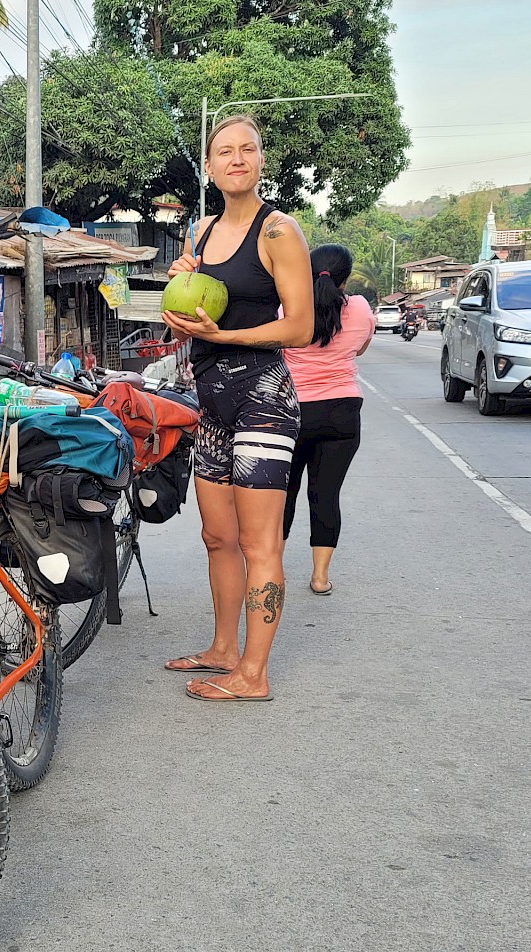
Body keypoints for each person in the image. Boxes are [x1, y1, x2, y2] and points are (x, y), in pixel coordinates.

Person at [161, 114, 313, 703]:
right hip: (212, 401)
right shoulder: (199, 234)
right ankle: (224, 649)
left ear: (261, 161)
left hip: (263, 399)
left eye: (247, 149)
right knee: (217, 537)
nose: (237, 159)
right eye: (224, 151)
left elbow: (299, 327)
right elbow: (195, 317)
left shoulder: (278, 232)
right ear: (209, 166)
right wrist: (181, 304)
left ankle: (253, 674)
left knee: (258, 544)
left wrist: (224, 337)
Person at [278, 244, 372, 596]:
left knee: (283, 495)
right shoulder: (360, 308)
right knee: (326, 495)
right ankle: (320, 578)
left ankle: (272, 572)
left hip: (294, 411)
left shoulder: (287, 308)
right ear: (345, 278)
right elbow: (360, 347)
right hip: (342, 412)